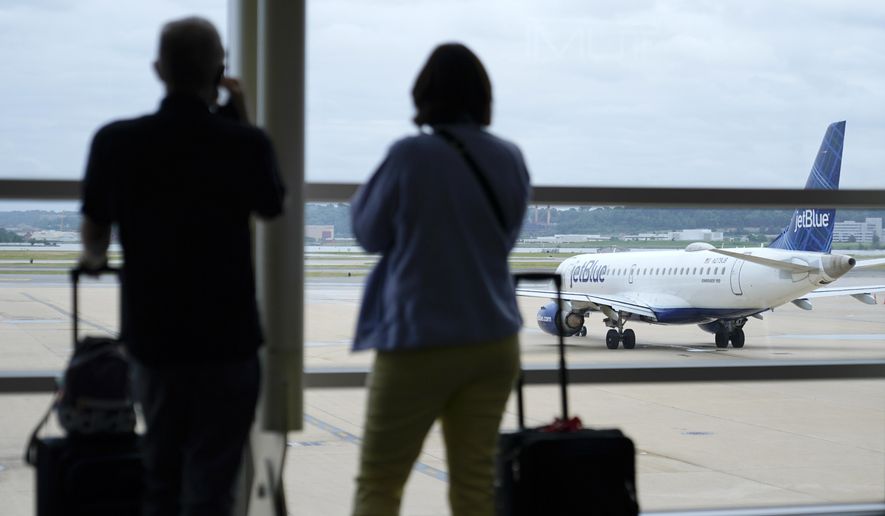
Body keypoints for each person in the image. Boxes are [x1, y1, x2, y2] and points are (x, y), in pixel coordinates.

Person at [79, 16, 284, 516]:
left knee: (160, 476)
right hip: (229, 342)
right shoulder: (244, 143)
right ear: (219, 71)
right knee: (212, 485)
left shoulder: (116, 141)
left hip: (155, 340)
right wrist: (240, 114)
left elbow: (95, 236)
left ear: (157, 69)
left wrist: (97, 257)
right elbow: (271, 203)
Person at [350, 43, 530, 516]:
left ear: (424, 94)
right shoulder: (510, 157)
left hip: (419, 340)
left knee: (380, 483)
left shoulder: (410, 155)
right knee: (475, 487)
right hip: (493, 339)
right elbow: (504, 240)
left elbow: (368, 234)